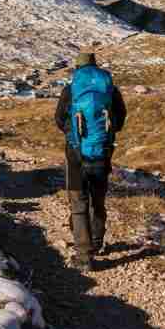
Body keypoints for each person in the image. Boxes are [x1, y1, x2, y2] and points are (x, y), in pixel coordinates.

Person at [55, 52, 126, 271]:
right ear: (95, 66)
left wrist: (73, 134)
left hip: (76, 153)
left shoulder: (71, 89)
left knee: (78, 202)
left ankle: (84, 256)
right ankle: (97, 241)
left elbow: (59, 119)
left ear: (77, 68)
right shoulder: (110, 89)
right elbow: (120, 119)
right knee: (98, 198)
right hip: (102, 151)